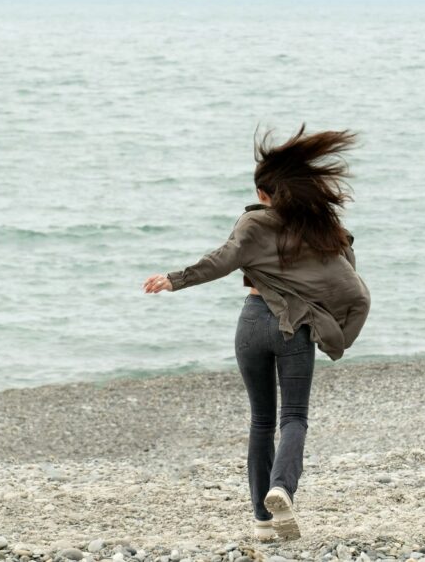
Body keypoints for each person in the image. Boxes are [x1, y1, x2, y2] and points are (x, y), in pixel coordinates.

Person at [143, 124, 371, 542]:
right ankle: (281, 488)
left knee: (261, 421)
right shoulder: (320, 228)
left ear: (266, 194)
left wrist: (173, 280)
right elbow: (350, 282)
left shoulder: (252, 224)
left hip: (250, 323)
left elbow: (222, 260)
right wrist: (338, 329)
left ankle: (261, 522)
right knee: (294, 417)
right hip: (294, 330)